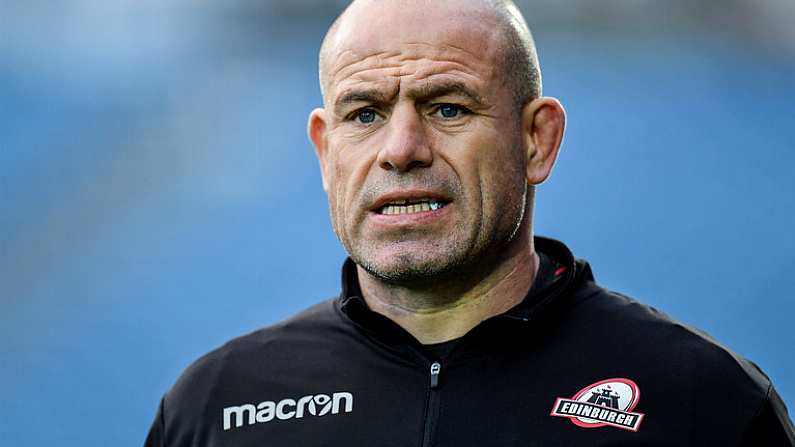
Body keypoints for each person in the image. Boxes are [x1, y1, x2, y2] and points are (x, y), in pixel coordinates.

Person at [144, 0, 795, 445]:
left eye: (448, 108)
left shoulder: (703, 402)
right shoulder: (214, 405)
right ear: (323, 149)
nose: (401, 148)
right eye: (364, 114)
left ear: (536, 139)